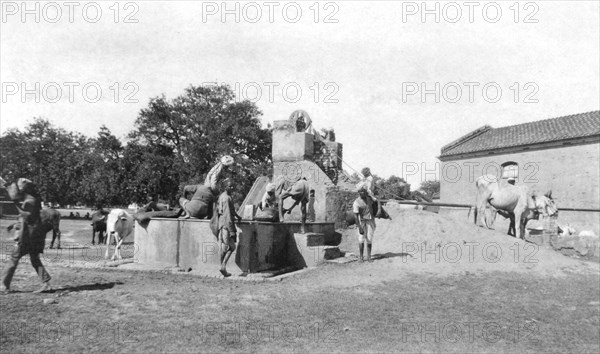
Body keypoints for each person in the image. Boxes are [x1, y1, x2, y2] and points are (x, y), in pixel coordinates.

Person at [1, 178, 52, 293]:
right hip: (33, 235)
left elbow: (27, 216)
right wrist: (15, 224)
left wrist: (15, 205)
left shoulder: (30, 201)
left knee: (13, 259)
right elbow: (30, 219)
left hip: (28, 237)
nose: (18, 191)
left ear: (24, 189)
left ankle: (4, 285)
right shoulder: (29, 200)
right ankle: (46, 283)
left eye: (19, 188)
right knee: (34, 259)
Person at [217, 179, 242, 277]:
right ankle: (222, 266)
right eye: (230, 186)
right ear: (225, 187)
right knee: (230, 247)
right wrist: (231, 230)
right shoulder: (226, 198)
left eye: (232, 186)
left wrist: (237, 216)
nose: (232, 187)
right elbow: (227, 215)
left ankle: (222, 267)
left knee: (225, 246)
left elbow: (231, 210)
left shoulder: (223, 196)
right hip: (226, 225)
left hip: (223, 224)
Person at [353, 182, 376, 263]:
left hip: (370, 221)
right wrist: (359, 227)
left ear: (365, 191)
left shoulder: (370, 199)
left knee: (369, 239)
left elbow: (377, 201)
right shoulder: (356, 202)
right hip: (362, 221)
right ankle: (361, 257)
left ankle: (369, 257)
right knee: (361, 239)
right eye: (360, 191)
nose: (362, 193)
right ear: (358, 192)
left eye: (363, 191)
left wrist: (379, 210)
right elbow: (356, 216)